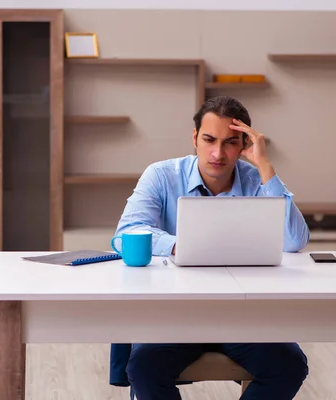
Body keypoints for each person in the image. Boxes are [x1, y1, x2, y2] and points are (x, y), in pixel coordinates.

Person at [109, 96, 310, 400]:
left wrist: (266, 166)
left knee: (290, 365)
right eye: (209, 140)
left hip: (241, 314)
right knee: (143, 367)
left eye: (230, 143)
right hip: (177, 313)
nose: (218, 153)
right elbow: (126, 233)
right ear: (195, 138)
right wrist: (181, 245)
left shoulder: (259, 181)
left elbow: (295, 241)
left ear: (244, 145)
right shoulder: (162, 175)